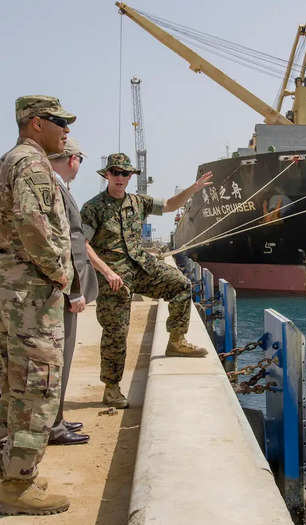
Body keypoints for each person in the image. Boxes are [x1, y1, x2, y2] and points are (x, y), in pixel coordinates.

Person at [81, 153, 213, 409]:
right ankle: (111, 388)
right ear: (107, 175)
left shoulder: (138, 202)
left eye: (125, 173)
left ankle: (176, 341)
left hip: (141, 266)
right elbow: (82, 244)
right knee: (116, 332)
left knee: (180, 285)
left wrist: (193, 189)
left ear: (131, 177)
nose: (120, 177)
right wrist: (107, 272)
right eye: (116, 172)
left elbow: (171, 205)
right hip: (115, 277)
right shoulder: (93, 207)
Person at [0, 95, 75, 515]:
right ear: (34, 124)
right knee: (36, 387)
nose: (65, 129)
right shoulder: (30, 163)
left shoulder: (10, 160)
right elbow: (32, 221)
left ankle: (12, 470)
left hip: (13, 291)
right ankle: (17, 484)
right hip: (31, 296)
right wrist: (57, 270)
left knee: (12, 386)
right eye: (58, 120)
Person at [47, 137, 97, 446]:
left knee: (60, 360)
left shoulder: (57, 187)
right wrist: (75, 290)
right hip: (62, 292)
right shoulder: (53, 188)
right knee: (59, 359)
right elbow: (65, 245)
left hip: (59, 289)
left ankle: (57, 419)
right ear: (73, 159)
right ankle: (52, 426)